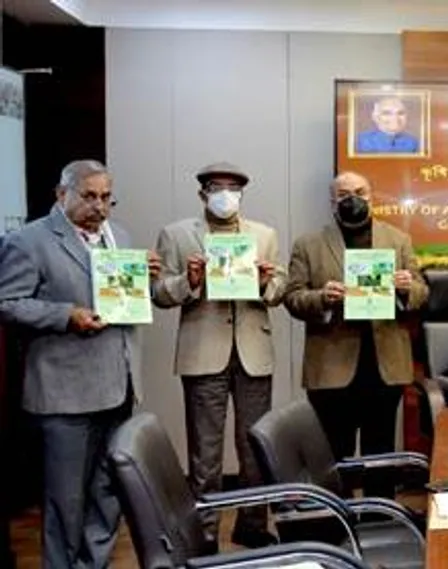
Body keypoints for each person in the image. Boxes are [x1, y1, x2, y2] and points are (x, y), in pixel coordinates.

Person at [0, 160, 157, 569]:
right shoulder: (28, 240)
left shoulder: (118, 236)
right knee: (65, 503)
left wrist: (146, 278)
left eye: (106, 197)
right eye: (89, 196)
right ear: (61, 194)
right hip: (65, 395)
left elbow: (125, 300)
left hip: (118, 387)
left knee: (108, 497)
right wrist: (65, 315)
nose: (99, 206)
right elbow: (8, 304)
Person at [150, 162, 284, 547]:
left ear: (242, 194)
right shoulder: (177, 235)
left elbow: (279, 289)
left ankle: (253, 525)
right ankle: (204, 531)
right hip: (203, 352)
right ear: (203, 194)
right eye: (216, 187)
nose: (225, 194)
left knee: (255, 447)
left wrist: (263, 283)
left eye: (232, 188)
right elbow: (159, 293)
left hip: (253, 352)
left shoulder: (264, 234)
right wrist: (189, 282)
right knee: (204, 453)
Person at [283, 171, 428, 498]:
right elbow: (292, 297)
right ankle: (338, 523)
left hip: (384, 364)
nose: (354, 199)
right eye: (345, 193)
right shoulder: (309, 244)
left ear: (372, 196)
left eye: (361, 192)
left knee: (382, 453)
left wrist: (406, 289)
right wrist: (323, 297)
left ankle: (381, 520)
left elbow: (422, 291)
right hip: (331, 366)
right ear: (332, 201)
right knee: (336, 454)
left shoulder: (397, 239)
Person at [355, 96, 421, 154]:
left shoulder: (413, 142)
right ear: (375, 117)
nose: (395, 118)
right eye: (387, 113)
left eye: (400, 113)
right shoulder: (360, 141)